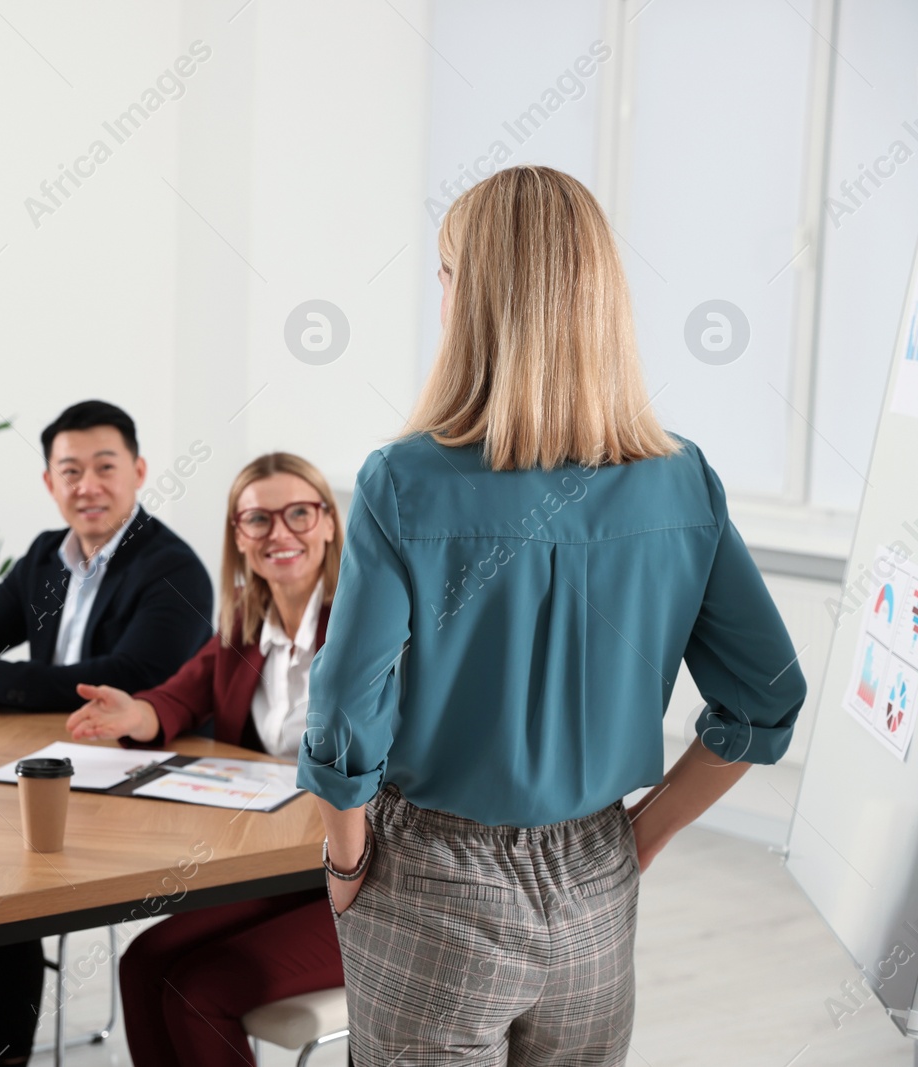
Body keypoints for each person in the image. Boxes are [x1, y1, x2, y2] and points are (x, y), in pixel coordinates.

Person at [297, 165, 810, 1067]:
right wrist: (638, 837)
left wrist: (345, 858)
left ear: (471, 296)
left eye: (446, 274)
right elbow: (767, 697)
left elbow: (344, 704)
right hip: (596, 882)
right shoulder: (681, 477)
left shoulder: (404, 479)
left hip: (432, 882)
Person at [0, 399, 214, 1065]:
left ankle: (8, 1056)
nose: (87, 485)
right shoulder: (46, 555)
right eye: (70, 470)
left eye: (104, 467)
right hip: (44, 760)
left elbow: (129, 673)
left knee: (3, 883)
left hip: (132, 784)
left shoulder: (173, 568)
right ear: (49, 483)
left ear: (140, 470)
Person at [65, 452, 347, 1066]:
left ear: (328, 523)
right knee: (144, 964)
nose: (281, 533)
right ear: (238, 537)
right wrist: (134, 713)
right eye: (258, 520)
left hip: (362, 881)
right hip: (281, 866)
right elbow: (179, 696)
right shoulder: (244, 623)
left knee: (199, 990)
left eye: (299, 513)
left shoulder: (365, 627)